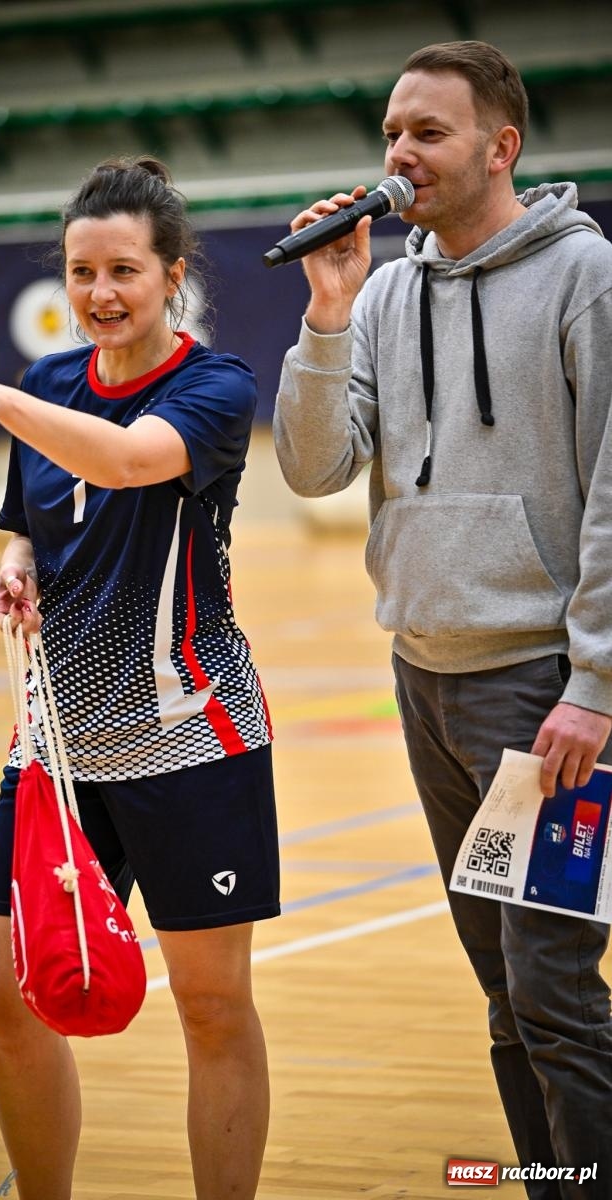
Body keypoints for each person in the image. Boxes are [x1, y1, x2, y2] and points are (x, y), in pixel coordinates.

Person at [272, 39, 612, 1200]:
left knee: (554, 989)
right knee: (503, 990)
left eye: (425, 132)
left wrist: (594, 686)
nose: (398, 154)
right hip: (423, 677)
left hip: (539, 691)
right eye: (389, 133)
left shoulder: (583, 277)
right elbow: (314, 470)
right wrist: (325, 313)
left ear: (499, 147)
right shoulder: (379, 292)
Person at [0, 156, 279, 1200]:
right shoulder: (48, 389)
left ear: (171, 276)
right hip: (55, 753)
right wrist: (13, 569)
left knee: (209, 1009)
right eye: (80, 273)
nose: (99, 295)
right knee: (9, 1005)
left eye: (123, 271)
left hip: (190, 737)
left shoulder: (215, 386)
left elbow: (122, 462)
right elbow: (32, 527)